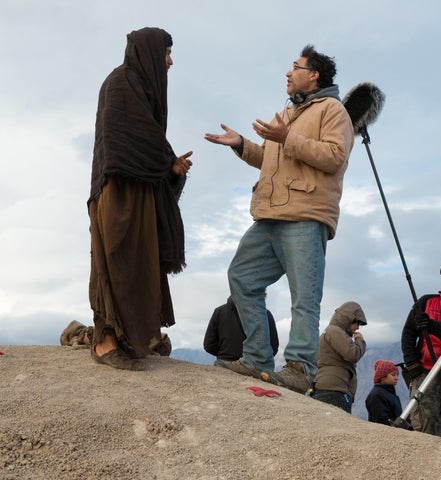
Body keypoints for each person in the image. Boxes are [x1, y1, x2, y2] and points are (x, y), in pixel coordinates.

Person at [204, 45, 354, 393]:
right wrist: (241, 143)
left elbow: (334, 156)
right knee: (241, 276)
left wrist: (287, 137)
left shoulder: (333, 110)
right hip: (270, 214)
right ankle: (256, 357)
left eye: (295, 67)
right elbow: (272, 160)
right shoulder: (288, 114)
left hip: (306, 215)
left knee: (304, 296)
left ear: (314, 75)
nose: (288, 73)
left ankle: (301, 368)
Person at [88, 27, 193, 371]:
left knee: (140, 264)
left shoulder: (141, 88)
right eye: (166, 54)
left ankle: (132, 339)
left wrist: (171, 168)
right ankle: (105, 344)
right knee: (114, 262)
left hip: (139, 190)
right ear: (149, 52)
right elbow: (127, 141)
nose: (170, 61)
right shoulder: (121, 84)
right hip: (117, 190)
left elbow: (149, 141)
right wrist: (165, 160)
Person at [400, 262, 441, 438]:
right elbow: (408, 332)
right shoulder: (426, 301)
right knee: (426, 428)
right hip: (426, 374)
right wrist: (413, 365)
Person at [311, 302, 367, 412]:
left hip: (331, 389)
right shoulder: (335, 331)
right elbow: (352, 354)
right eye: (357, 323)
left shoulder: (333, 331)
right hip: (333, 391)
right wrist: (360, 341)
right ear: (349, 319)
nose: (358, 327)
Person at [203, 297, 279, 362]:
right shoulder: (266, 314)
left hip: (225, 363)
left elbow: (209, 345)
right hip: (254, 366)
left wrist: (225, 354)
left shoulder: (220, 311)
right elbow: (273, 347)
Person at [365, 360, 403, 426]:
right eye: (393, 375)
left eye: (397, 375)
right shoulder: (376, 395)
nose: (396, 378)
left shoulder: (389, 393)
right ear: (382, 376)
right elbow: (381, 422)